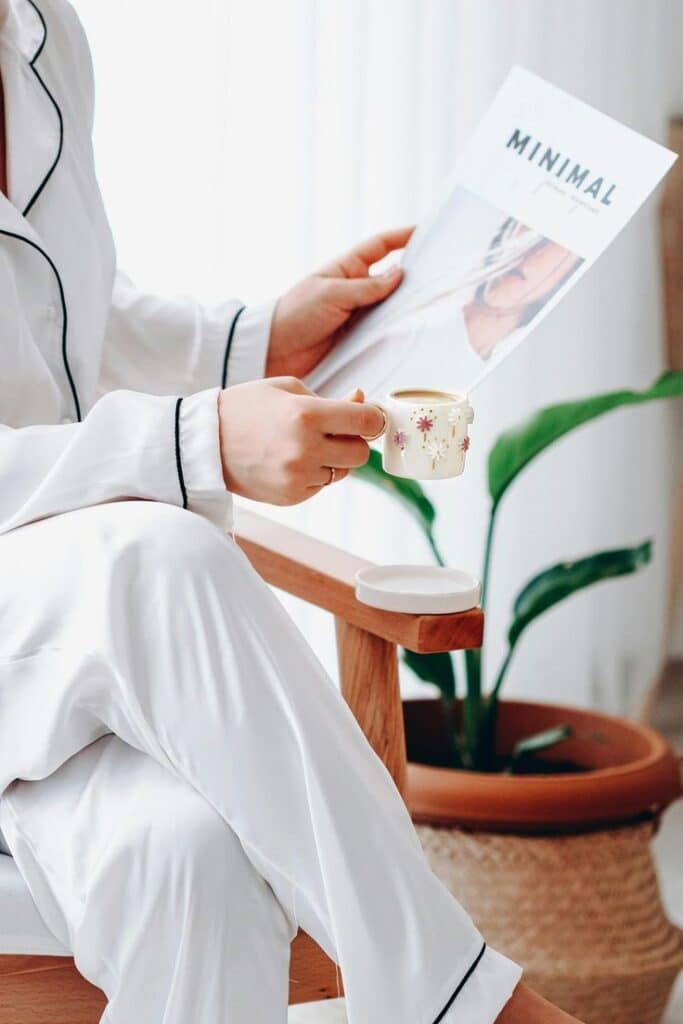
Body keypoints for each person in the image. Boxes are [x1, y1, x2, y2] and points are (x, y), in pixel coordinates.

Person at [0, 2, 583, 1021]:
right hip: (49, 619)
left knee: (185, 860)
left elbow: (56, 320)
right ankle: (472, 1007)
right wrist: (196, 441)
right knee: (159, 555)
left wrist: (257, 339)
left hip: (44, 659)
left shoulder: (41, 31)